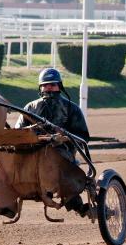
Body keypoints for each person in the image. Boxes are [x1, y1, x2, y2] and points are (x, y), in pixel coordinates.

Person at [15, 67, 90, 215]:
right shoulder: (30, 107)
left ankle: (78, 205)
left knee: (57, 165)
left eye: (52, 84)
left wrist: (64, 138)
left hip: (62, 153)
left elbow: (83, 136)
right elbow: (18, 132)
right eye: (45, 85)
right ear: (40, 87)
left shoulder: (71, 108)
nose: (49, 88)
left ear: (59, 86)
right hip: (31, 153)